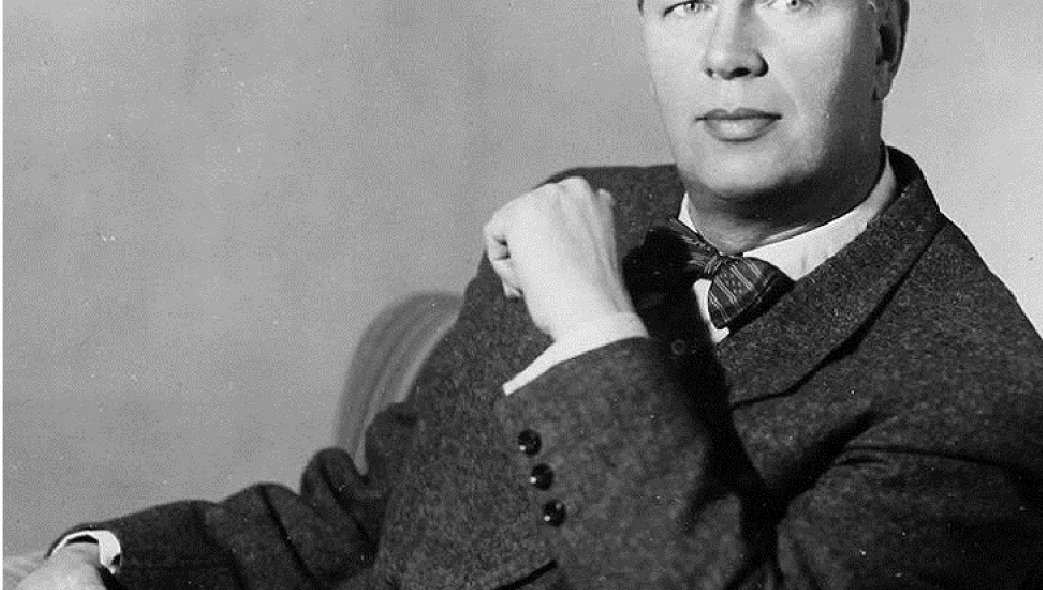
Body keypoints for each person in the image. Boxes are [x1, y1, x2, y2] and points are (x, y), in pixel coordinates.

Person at [18, 0, 1043, 588]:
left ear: (884, 42)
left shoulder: (977, 381)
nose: (726, 52)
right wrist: (108, 566)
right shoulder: (588, 208)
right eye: (684, 1)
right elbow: (371, 509)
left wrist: (595, 327)